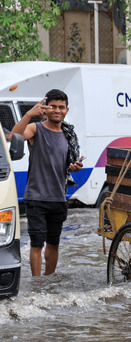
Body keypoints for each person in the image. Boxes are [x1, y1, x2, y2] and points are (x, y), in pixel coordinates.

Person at [11, 89, 83, 276]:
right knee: (36, 244)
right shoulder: (36, 129)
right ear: (45, 108)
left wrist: (74, 167)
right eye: (53, 106)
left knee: (54, 243)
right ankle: (37, 286)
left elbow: (68, 164)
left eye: (61, 107)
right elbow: (14, 136)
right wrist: (28, 114)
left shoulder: (69, 135)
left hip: (59, 198)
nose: (57, 110)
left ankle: (49, 282)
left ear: (67, 110)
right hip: (36, 198)